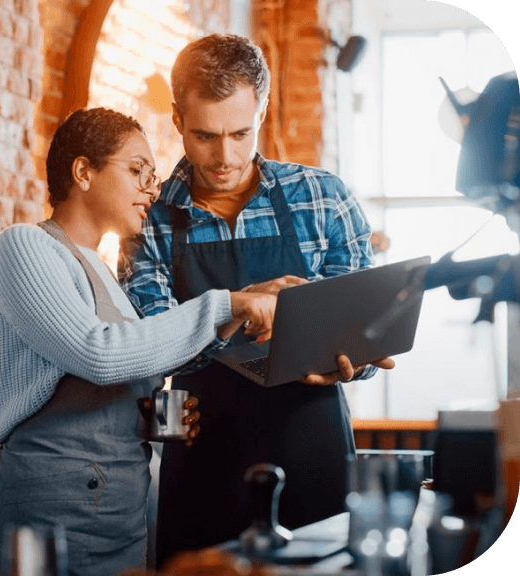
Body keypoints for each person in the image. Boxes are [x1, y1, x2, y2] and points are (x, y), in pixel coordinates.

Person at [0, 107, 302, 576]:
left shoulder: (103, 270)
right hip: (45, 516)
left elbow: (117, 369)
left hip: (116, 516)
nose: (152, 188)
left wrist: (150, 419)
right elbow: (98, 353)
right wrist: (227, 305)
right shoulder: (25, 246)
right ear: (83, 172)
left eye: (154, 175)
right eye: (137, 170)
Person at [119, 34, 395, 565]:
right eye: (204, 135)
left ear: (262, 111)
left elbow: (363, 333)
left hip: (313, 444)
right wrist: (241, 304)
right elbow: (151, 345)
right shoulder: (146, 217)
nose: (224, 156)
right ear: (177, 119)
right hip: (204, 455)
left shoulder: (324, 198)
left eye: (240, 132)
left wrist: (353, 363)